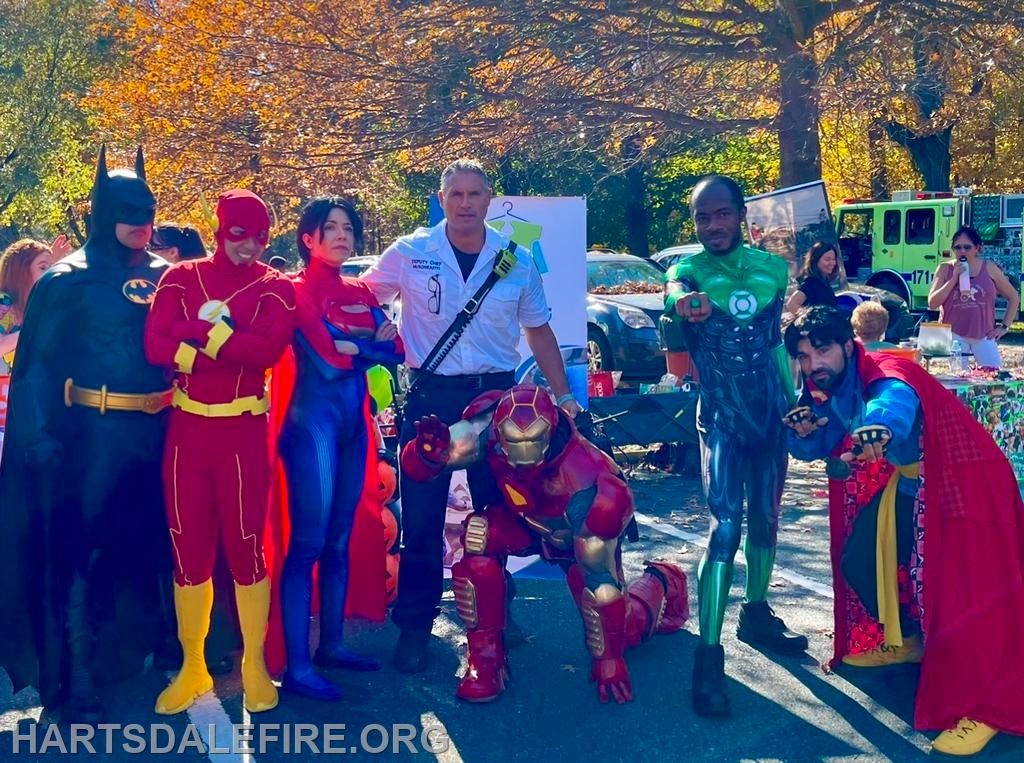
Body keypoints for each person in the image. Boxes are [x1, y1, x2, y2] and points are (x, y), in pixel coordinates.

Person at [361, 158, 582, 673]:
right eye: (455, 194)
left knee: (494, 518)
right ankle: (414, 628)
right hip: (431, 400)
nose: (464, 203)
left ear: (489, 200)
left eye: (474, 194)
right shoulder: (412, 252)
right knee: (421, 521)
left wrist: (562, 394)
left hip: (495, 405)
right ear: (441, 199)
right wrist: (377, 335)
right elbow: (362, 299)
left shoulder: (516, 258)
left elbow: (540, 332)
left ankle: (494, 618)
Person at [783, 305, 1024, 757]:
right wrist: (801, 432)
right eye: (803, 355)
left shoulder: (886, 373)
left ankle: (988, 706)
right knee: (859, 559)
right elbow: (821, 443)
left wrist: (882, 428)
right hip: (916, 485)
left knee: (969, 597)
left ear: (847, 345)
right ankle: (911, 639)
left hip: (964, 487)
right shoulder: (835, 386)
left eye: (822, 349)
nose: (813, 363)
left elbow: (892, 405)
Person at [0, 146, 173, 721]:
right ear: (101, 211)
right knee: (79, 553)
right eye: (128, 211)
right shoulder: (65, 282)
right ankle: (73, 675)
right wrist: (38, 438)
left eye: (147, 211)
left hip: (158, 431)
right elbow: (34, 371)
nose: (141, 223)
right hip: (89, 438)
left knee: (156, 543)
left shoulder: (165, 276)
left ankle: (153, 648)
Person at [401, 384, 688, 703]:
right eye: (514, 443)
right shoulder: (484, 432)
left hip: (572, 538)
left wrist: (609, 660)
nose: (523, 457)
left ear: (550, 433)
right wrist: (425, 453)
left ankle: (664, 578)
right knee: (478, 535)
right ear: (500, 432)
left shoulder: (593, 483)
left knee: (621, 623)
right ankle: (486, 662)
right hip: (521, 523)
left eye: (533, 442)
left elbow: (601, 584)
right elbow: (420, 467)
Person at [144, 188, 296, 715]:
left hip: (244, 435)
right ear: (218, 230)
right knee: (188, 551)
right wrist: (224, 340)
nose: (250, 247)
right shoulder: (180, 277)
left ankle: (253, 661)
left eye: (260, 237)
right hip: (187, 434)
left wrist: (196, 340)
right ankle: (193, 664)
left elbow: (267, 351)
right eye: (238, 235)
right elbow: (155, 345)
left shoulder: (275, 286)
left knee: (248, 548)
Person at [661, 174, 807, 717]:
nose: (713, 225)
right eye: (703, 217)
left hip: (768, 414)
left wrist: (795, 403)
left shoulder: (773, 269)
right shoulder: (690, 270)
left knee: (767, 517)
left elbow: (772, 345)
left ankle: (758, 612)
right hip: (720, 416)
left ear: (741, 215)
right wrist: (682, 302)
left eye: (721, 214)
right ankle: (708, 655)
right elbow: (675, 291)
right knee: (725, 528)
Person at [274, 196, 404, 700]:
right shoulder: (296, 290)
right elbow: (328, 361)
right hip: (312, 426)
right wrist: (367, 343)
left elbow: (397, 351)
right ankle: (298, 665)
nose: (341, 235)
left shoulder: (360, 290)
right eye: (329, 227)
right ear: (308, 238)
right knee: (307, 542)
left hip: (353, 422)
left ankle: (332, 644)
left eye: (348, 227)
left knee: (340, 539)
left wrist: (358, 345)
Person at [927, 225, 1019, 368]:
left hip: (984, 334)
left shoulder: (989, 268)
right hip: (954, 335)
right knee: (958, 379)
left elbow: (1013, 297)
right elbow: (932, 303)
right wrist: (953, 279)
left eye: (967, 247)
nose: (962, 251)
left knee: (993, 374)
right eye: (957, 247)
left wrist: (1004, 326)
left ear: (977, 248)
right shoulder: (945, 269)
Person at [0, 239, 54, 372]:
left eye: (52, 268)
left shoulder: (41, 306)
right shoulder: (4, 303)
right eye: (43, 268)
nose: (51, 274)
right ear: (21, 270)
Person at [785, 240, 839, 314]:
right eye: (827, 259)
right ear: (815, 260)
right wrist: (810, 317)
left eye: (834, 259)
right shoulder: (811, 283)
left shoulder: (824, 280)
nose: (832, 263)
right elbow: (791, 304)